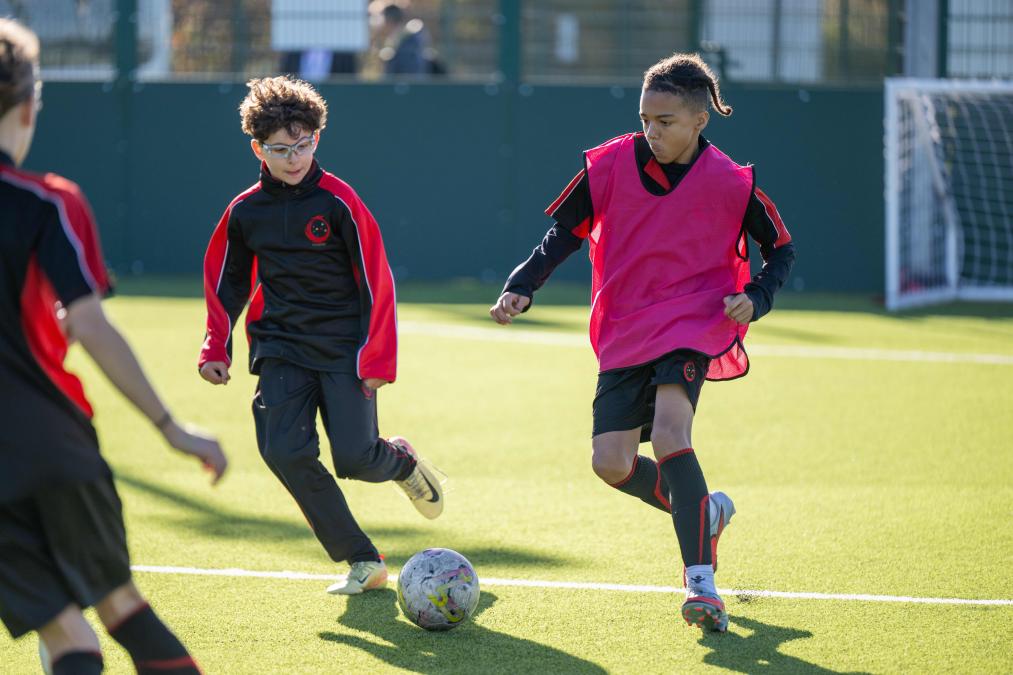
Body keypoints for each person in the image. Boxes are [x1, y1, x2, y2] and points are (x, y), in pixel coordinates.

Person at [490, 53, 796, 632]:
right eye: (645, 118)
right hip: (625, 325)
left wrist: (757, 295)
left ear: (700, 120)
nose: (652, 131)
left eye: (666, 121)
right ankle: (702, 513)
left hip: (692, 321)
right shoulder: (606, 165)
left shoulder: (732, 182)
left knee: (671, 430)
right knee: (610, 462)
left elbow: (780, 248)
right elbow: (564, 234)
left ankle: (701, 585)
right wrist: (522, 285)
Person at [0, 18, 227, 675]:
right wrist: (169, 425)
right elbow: (92, 323)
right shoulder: (46, 203)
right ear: (27, 104)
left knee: (67, 635)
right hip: (51, 443)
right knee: (119, 604)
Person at [198, 75, 443, 596]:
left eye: (302, 145)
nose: (293, 158)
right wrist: (215, 345)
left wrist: (378, 359)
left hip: (344, 351)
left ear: (317, 138)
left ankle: (400, 461)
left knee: (355, 458)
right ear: (257, 148)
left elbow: (378, 280)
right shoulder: (245, 211)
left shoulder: (340, 203)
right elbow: (227, 279)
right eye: (280, 149)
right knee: (284, 451)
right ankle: (362, 559)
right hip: (281, 348)